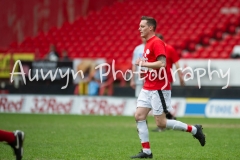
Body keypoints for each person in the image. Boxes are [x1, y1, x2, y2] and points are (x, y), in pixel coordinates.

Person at [131, 16, 205, 159]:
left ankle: (194, 130)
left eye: (142, 26)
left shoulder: (157, 42)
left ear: (150, 28)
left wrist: (144, 64)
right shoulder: (148, 43)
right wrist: (145, 70)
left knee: (161, 123)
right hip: (148, 86)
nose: (139, 29)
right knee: (139, 116)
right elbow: (153, 65)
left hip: (159, 88)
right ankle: (146, 152)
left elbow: (162, 63)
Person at [151, 33, 185, 132]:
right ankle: (169, 119)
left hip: (166, 79)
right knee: (160, 102)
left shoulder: (169, 49)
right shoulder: (156, 50)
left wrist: (180, 76)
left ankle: (162, 124)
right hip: (157, 79)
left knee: (160, 102)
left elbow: (177, 64)